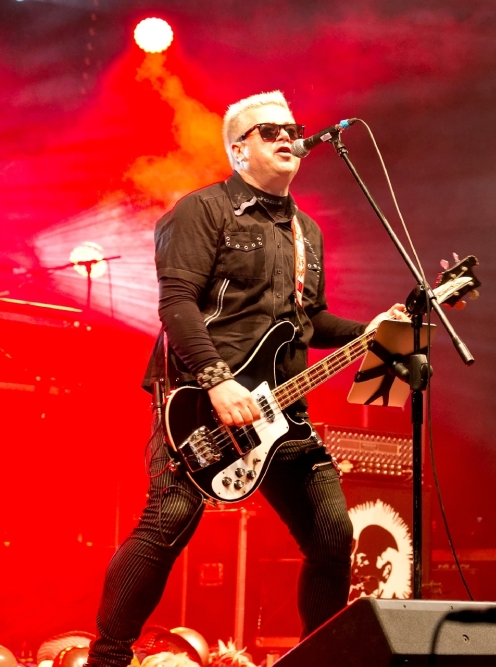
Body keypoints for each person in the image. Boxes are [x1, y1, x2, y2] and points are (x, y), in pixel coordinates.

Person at [85, 91, 403, 667]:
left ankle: (317, 663)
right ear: (238, 149)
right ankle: (107, 657)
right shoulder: (202, 210)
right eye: (270, 130)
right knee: (169, 521)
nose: (288, 137)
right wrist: (217, 379)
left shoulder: (307, 231)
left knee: (333, 534)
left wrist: (370, 330)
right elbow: (176, 302)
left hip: (283, 409)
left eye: (293, 129)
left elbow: (309, 320)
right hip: (200, 398)